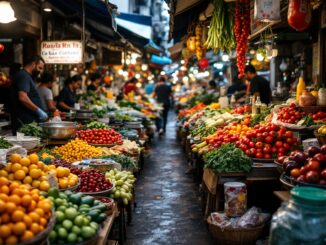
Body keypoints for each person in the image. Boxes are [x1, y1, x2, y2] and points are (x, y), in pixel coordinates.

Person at [10, 55, 48, 133]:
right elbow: (23, 97)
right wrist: (38, 110)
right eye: (39, 68)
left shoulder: (27, 76)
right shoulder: (23, 76)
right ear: (33, 64)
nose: (40, 71)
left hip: (29, 123)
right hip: (24, 124)